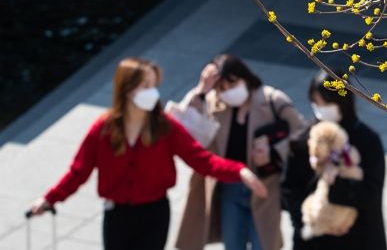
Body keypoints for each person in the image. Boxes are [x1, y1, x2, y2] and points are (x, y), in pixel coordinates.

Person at [28, 57, 267, 250]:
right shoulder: (103, 130)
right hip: (117, 214)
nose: (153, 92)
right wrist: (50, 199)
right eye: (146, 86)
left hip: (154, 212)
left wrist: (240, 171)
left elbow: (200, 160)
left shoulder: (165, 127)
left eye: (154, 85)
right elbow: (78, 171)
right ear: (127, 90)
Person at [175, 54, 306, 250]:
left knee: (264, 244)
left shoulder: (272, 100)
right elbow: (182, 127)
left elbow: (302, 133)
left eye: (232, 84)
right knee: (233, 244)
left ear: (245, 77)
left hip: (265, 187)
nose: (227, 92)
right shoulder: (213, 103)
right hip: (230, 187)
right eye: (222, 88)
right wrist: (201, 89)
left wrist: (274, 152)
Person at [282, 69, 387, 250]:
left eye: (326, 103)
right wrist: (311, 221)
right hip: (314, 239)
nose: (320, 110)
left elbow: (371, 192)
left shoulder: (366, 141)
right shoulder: (303, 140)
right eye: (316, 103)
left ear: (343, 101)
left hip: (357, 238)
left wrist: (337, 184)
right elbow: (290, 190)